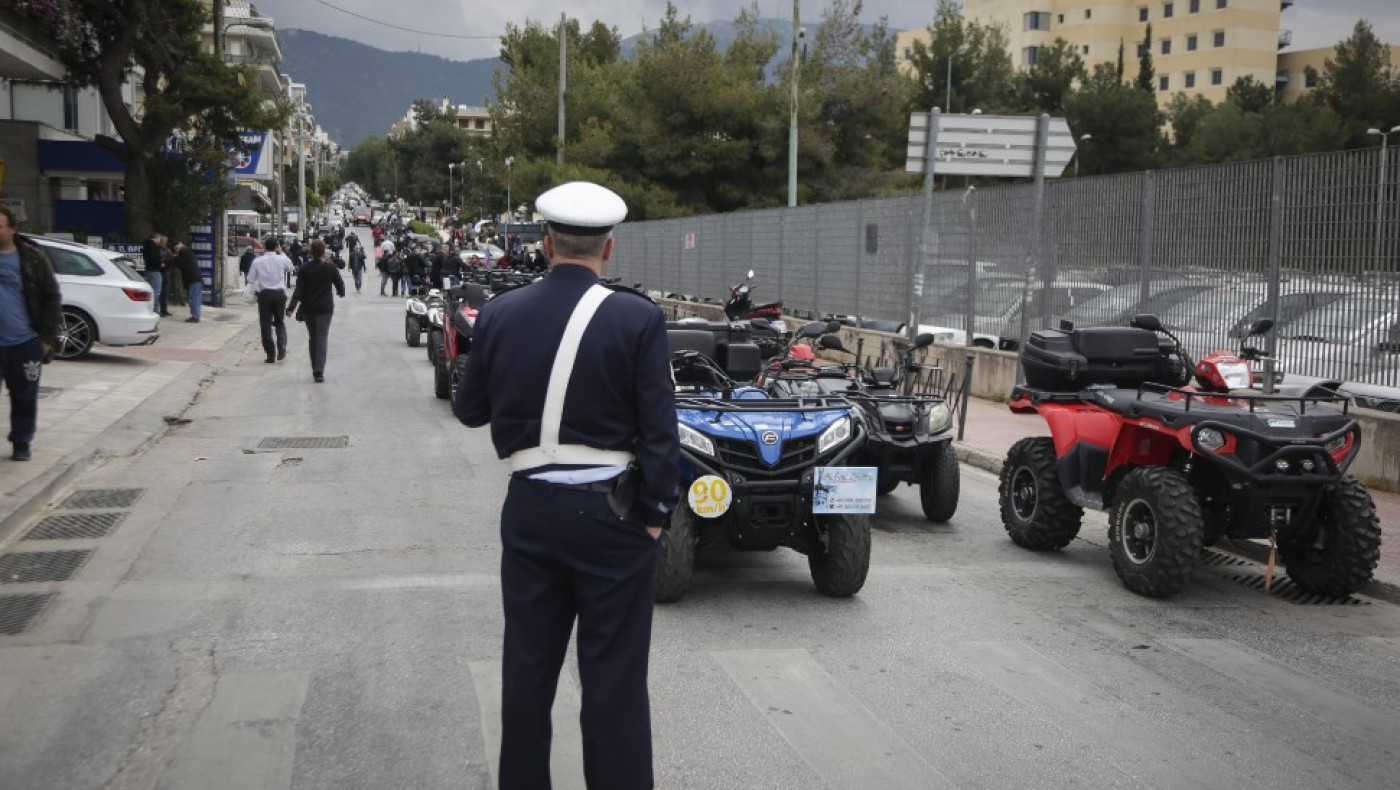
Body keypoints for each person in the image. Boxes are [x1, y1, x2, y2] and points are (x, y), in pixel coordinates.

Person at [453, 181, 679, 790]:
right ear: (609, 250)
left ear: (545, 244)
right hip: (614, 516)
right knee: (615, 681)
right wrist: (656, 514)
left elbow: (469, 411)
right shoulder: (637, 317)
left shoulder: (500, 312)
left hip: (530, 508)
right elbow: (661, 435)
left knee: (526, 670)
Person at [0, 205, 62, 461]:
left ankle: (22, 441)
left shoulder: (33, 259)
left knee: (24, 396)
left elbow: (51, 297)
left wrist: (47, 338)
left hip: (24, 341)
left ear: (12, 229)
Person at [286, 238, 345, 383]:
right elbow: (341, 286)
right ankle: (319, 371)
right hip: (325, 308)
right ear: (323, 251)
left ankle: (315, 368)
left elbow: (298, 291)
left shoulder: (304, 268)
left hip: (309, 309)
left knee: (314, 338)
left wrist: (291, 308)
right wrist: (340, 292)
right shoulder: (330, 268)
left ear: (311, 252)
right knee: (322, 338)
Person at [246, 236, 296, 363]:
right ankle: (282, 346)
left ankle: (270, 354)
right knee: (280, 322)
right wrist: (282, 253)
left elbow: (250, 279)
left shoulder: (257, 261)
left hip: (265, 295)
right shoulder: (281, 259)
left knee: (265, 325)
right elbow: (291, 268)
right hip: (279, 294)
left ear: (264, 247)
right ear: (277, 247)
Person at [171, 241, 203, 322]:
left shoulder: (184, 254)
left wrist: (174, 257)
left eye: (176, 250)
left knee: (193, 298)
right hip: (196, 279)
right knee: (197, 298)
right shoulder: (188, 253)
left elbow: (179, 264)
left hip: (193, 279)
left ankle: (195, 317)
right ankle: (196, 315)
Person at [142, 232, 172, 316]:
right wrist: (160, 263)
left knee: (158, 291)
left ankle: (158, 309)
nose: (160, 241)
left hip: (153, 270)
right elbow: (154, 258)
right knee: (156, 291)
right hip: (155, 270)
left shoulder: (148, 245)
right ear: (156, 238)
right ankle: (155, 310)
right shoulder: (153, 247)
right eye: (160, 239)